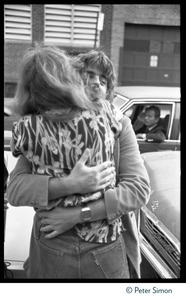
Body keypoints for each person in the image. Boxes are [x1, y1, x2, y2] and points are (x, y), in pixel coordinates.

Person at [7, 49, 151, 279]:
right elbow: (15, 190)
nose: (95, 83)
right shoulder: (50, 122)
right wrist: (70, 184)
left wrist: (77, 214)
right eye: (88, 75)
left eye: (103, 81)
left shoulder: (118, 122)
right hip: (56, 243)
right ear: (71, 79)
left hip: (102, 245)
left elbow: (138, 190)